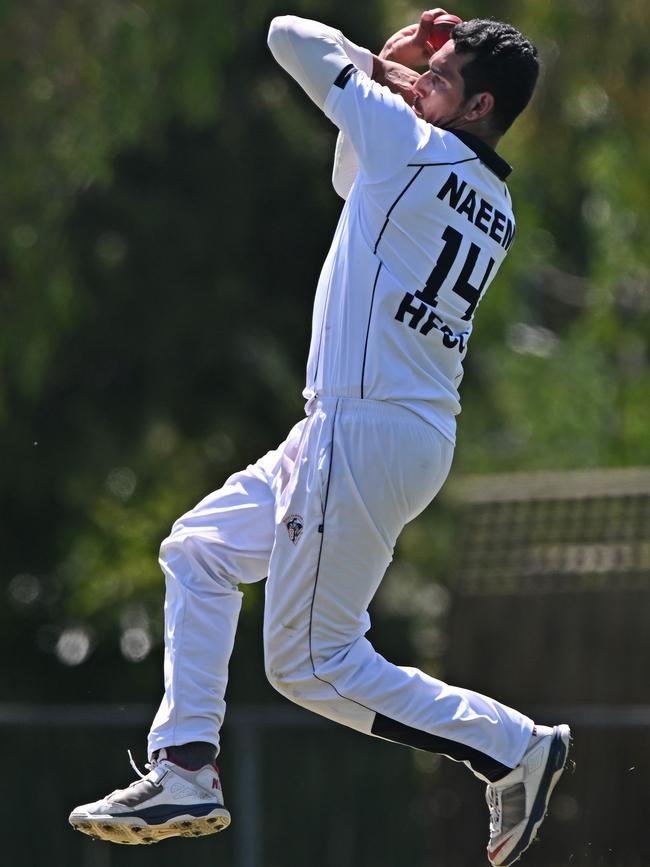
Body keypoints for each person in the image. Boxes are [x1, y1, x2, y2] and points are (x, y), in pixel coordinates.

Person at [69, 9, 570, 866]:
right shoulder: (492, 196)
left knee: (311, 664)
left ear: (480, 104)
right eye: (427, 69)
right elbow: (354, 180)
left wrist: (387, 57)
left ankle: (512, 742)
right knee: (198, 550)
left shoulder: (410, 145)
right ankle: (185, 763)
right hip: (365, 426)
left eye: (442, 79)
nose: (423, 83)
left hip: (366, 427)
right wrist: (405, 84)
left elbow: (285, 34)